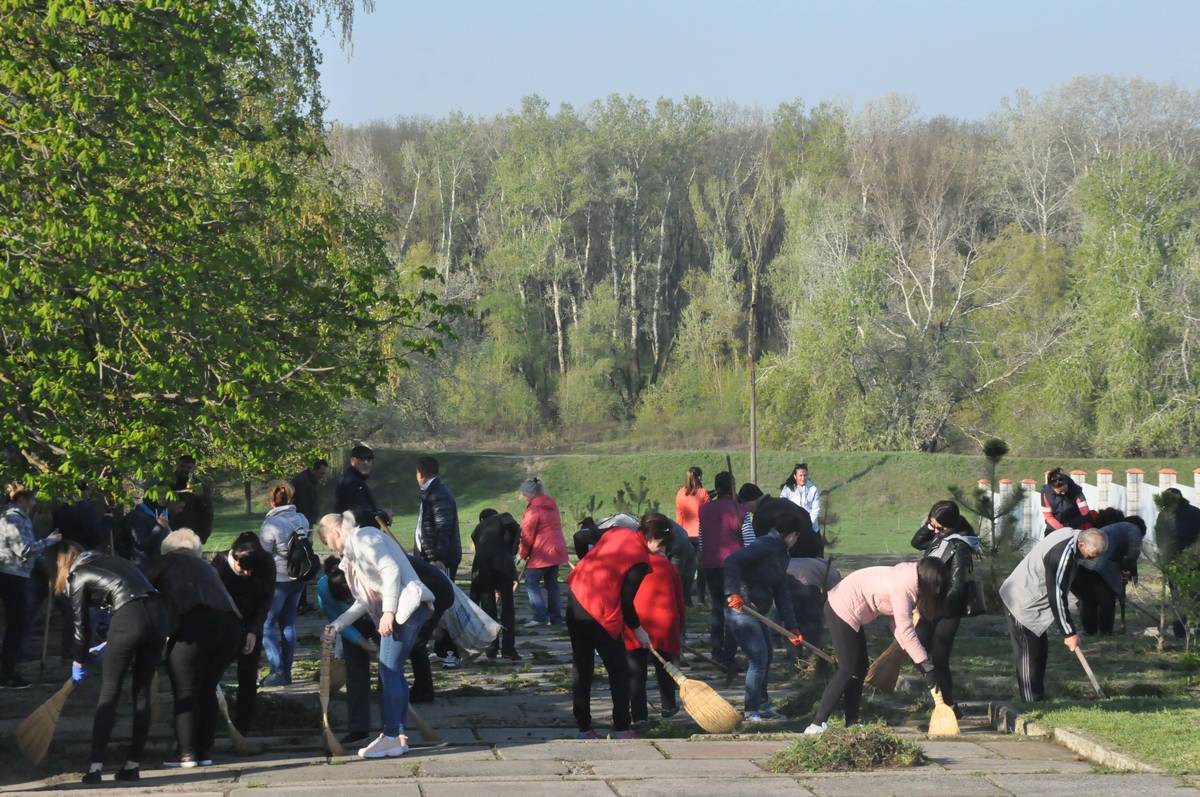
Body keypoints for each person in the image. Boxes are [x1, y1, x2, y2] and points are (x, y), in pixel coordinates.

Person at [317, 512, 434, 759]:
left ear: (335, 532)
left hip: (405, 608)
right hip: (408, 608)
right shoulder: (356, 549)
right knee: (393, 670)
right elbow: (363, 601)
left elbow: (391, 571)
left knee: (388, 670)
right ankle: (398, 736)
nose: (332, 549)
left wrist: (388, 612)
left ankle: (391, 737)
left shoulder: (364, 539)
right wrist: (335, 626)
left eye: (329, 543)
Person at [55, 541, 167, 784]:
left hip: (129, 618)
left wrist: (78, 660)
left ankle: (95, 769)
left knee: (109, 692)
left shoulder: (78, 574)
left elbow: (81, 626)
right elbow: (136, 600)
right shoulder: (114, 561)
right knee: (142, 692)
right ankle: (133, 766)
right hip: (158, 615)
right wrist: (110, 642)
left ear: (62, 563)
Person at [805, 558, 950, 735]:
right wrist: (925, 663)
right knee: (848, 669)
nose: (936, 592)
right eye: (935, 588)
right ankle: (816, 724)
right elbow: (905, 630)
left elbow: (898, 623)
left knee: (860, 668)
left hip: (850, 610)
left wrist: (919, 659)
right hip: (840, 607)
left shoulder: (908, 580)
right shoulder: (902, 588)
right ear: (928, 581)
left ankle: (851, 723)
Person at [144, 530, 241, 768]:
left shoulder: (165, 563)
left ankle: (186, 753)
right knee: (207, 689)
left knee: (185, 691)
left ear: (167, 549)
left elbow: (141, 589)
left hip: (194, 624)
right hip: (230, 627)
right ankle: (203, 750)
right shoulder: (207, 568)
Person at [565, 511, 659, 739]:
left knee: (582, 668)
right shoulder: (640, 558)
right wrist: (638, 630)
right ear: (652, 538)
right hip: (600, 612)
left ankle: (584, 729)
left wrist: (585, 563)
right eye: (662, 545)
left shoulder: (616, 532)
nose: (662, 551)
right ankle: (621, 728)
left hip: (576, 599)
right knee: (619, 671)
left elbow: (579, 536)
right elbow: (626, 601)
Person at [1000, 527, 1107, 701]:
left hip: (1030, 599)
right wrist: (1069, 632)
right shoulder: (1062, 554)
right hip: (1022, 602)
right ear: (1081, 544)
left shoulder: (1075, 538)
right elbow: (1056, 595)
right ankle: (1031, 704)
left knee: (1039, 652)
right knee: (1029, 655)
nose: (1091, 559)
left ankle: (1037, 698)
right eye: (1091, 555)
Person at [724, 520, 804, 722]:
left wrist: (792, 626)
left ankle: (763, 705)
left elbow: (781, 592)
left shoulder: (782, 554)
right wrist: (733, 592)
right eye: (797, 537)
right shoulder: (764, 545)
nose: (796, 540)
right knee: (758, 658)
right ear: (792, 534)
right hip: (742, 608)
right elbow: (732, 561)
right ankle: (751, 710)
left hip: (759, 611)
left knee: (767, 656)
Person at [909, 500, 981, 713]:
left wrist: (934, 607)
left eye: (939, 527)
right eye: (932, 525)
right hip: (930, 605)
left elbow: (957, 588)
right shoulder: (939, 536)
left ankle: (947, 705)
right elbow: (917, 542)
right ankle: (937, 697)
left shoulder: (959, 547)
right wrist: (930, 527)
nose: (935, 530)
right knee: (917, 650)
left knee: (939, 658)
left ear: (950, 526)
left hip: (947, 610)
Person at [211, 531, 275, 735]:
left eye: (251, 570)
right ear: (234, 556)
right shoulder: (219, 567)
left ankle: (243, 727)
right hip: (224, 624)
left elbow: (266, 601)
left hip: (252, 623)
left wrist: (254, 631)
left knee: (248, 676)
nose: (247, 573)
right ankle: (208, 720)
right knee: (212, 673)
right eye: (243, 568)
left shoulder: (266, 564)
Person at [624, 513, 684, 723]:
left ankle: (639, 715)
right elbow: (679, 601)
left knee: (636, 672)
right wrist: (680, 627)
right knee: (666, 668)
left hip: (635, 623)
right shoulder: (668, 568)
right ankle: (669, 705)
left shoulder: (630, 562)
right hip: (664, 625)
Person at [0, 483, 62, 688]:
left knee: (17, 624)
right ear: (22, 499)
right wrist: (49, 541)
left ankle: (8, 670)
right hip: (12, 575)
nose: (34, 503)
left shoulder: (17, 517)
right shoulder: (14, 518)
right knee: (17, 625)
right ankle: (6, 674)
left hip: (16, 574)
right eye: (32, 499)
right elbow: (23, 549)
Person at [317, 556, 380, 745]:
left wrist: (380, 645)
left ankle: (392, 727)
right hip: (349, 624)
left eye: (351, 598)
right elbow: (338, 620)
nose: (348, 601)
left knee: (389, 672)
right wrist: (364, 644)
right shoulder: (324, 590)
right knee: (356, 674)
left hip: (379, 615)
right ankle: (358, 729)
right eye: (344, 600)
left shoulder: (371, 581)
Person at [259, 480, 310, 686]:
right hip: (298, 578)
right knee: (288, 624)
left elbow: (264, 554)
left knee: (267, 625)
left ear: (272, 501)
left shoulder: (271, 524)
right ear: (291, 499)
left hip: (278, 580)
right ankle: (287, 671)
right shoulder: (302, 519)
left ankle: (277, 670)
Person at [414, 456, 461, 666]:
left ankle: (452, 652)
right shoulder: (430, 493)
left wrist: (438, 558)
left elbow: (444, 527)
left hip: (441, 560)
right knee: (435, 605)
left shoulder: (439, 494)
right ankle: (441, 649)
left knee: (444, 605)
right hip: (429, 558)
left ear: (420, 473)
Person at [698, 472, 744, 670]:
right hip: (733, 565)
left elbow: (701, 537)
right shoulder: (740, 509)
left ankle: (717, 650)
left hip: (710, 563)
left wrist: (703, 557)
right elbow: (749, 539)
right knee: (733, 608)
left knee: (717, 608)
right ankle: (729, 656)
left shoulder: (704, 509)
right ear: (732, 486)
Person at [1073, 514, 1146, 635]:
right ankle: (1105, 631)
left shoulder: (1116, 528)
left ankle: (1090, 631)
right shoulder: (1134, 529)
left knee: (1089, 600)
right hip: (1101, 565)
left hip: (1084, 563)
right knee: (1107, 599)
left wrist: (1127, 569)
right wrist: (1130, 570)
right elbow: (1133, 552)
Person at [470, 508, 522, 660]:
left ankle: (491, 648)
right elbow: (516, 529)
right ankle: (508, 649)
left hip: (482, 570)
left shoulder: (478, 529)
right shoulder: (504, 517)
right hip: (503, 567)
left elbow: (480, 549)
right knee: (507, 608)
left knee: (488, 609)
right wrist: (512, 551)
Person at [518, 477, 568, 628]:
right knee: (552, 584)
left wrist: (522, 553)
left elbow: (527, 533)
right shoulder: (551, 504)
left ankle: (540, 617)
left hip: (542, 551)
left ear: (529, 493)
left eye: (524, 493)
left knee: (531, 582)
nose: (523, 496)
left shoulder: (534, 508)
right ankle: (556, 617)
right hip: (556, 549)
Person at [405, 551, 456, 701]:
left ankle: (424, 691)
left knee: (417, 643)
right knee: (416, 641)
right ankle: (422, 688)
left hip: (435, 591)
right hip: (433, 588)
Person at [291, 459, 329, 616]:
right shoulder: (304, 484)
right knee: (304, 564)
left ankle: (300, 601)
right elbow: (305, 510)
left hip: (302, 526)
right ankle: (300, 602)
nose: (322, 476)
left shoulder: (306, 481)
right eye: (321, 473)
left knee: (301, 564)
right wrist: (308, 533)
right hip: (302, 528)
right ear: (314, 469)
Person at [675, 467, 709, 604]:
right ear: (699, 477)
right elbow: (707, 515)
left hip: (685, 535)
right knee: (701, 568)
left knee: (687, 568)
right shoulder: (703, 493)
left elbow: (679, 516)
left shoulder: (680, 493)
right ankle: (701, 599)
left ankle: (685, 597)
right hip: (700, 534)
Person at [334, 445, 383, 527]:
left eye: (369, 459)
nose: (366, 463)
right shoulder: (352, 482)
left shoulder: (355, 480)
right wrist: (384, 515)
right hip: (355, 532)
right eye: (362, 459)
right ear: (353, 461)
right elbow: (361, 515)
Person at [170, 454, 214, 544]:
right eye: (182, 466)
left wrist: (204, 535)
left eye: (188, 467)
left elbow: (208, 512)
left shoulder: (201, 487)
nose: (185, 469)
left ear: (194, 468)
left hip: (192, 532)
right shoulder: (166, 484)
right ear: (177, 465)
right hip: (169, 531)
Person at [123, 493, 170, 570]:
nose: (166, 499)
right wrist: (159, 526)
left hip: (155, 565)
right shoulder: (138, 516)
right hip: (143, 567)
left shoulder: (156, 513)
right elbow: (140, 544)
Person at [1041, 468, 1094, 532]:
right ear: (1052, 488)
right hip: (1054, 526)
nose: (1063, 493)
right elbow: (1048, 517)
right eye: (1060, 492)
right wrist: (1063, 530)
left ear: (1067, 483)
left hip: (1076, 524)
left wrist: (1088, 531)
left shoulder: (1076, 490)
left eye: (1065, 490)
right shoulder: (1045, 494)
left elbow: (1085, 512)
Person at [780, 463, 821, 535]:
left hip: (811, 528)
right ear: (795, 476)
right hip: (793, 528)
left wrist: (807, 524)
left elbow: (815, 510)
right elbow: (782, 505)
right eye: (800, 475)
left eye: (805, 475)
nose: (803, 478)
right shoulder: (788, 488)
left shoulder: (813, 489)